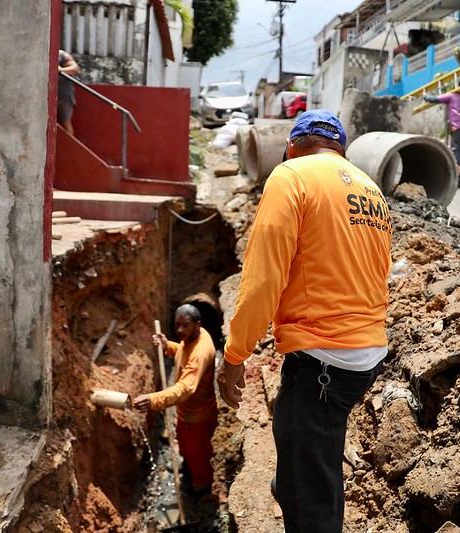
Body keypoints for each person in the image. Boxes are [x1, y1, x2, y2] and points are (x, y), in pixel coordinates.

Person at [217, 110, 393, 532]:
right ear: (341, 150)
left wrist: (235, 354)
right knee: (308, 469)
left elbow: (262, 280)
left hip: (322, 363)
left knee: (307, 500)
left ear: (291, 147)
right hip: (364, 356)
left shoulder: (291, 176)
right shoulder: (371, 190)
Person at [134, 305, 218, 492]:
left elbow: (185, 388)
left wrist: (154, 400)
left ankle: (200, 489)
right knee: (187, 450)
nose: (179, 330)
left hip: (198, 418)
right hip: (186, 413)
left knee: (199, 459)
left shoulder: (200, 352)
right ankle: (187, 468)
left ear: (198, 325)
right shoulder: (194, 337)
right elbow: (182, 351)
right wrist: (167, 346)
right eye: (177, 324)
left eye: (185, 326)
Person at [424, 91, 460, 188]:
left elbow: (434, 99)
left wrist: (425, 96)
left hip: (459, 128)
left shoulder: (451, 96)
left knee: (457, 152)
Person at [57, 50, 80, 135]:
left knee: (66, 122)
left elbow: (75, 69)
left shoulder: (62, 55)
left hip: (64, 95)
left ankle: (70, 145)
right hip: (46, 95)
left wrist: (60, 70)